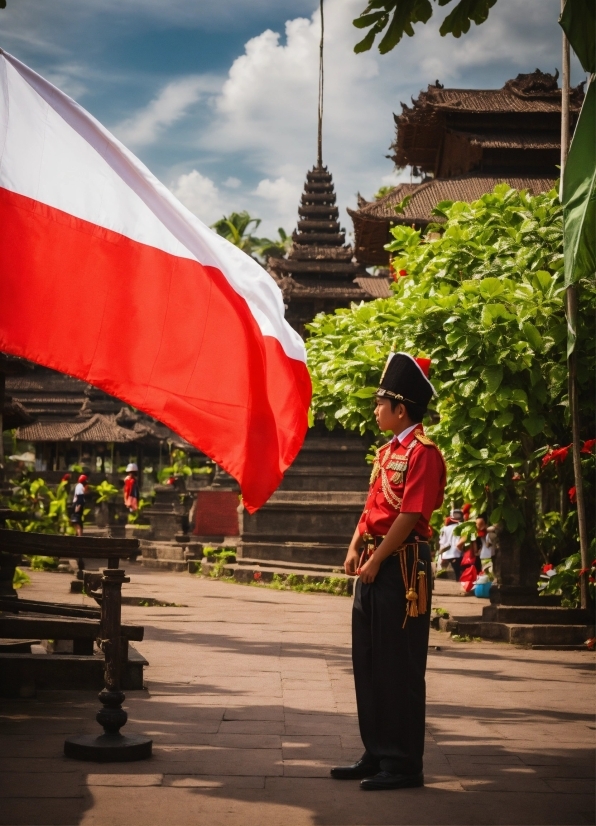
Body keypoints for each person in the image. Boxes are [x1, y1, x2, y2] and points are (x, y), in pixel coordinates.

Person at [331, 352, 446, 791]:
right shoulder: (386, 452)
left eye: (381, 403)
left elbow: (409, 513)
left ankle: (402, 764)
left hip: (402, 566)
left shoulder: (423, 454)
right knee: (370, 661)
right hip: (375, 563)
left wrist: (377, 559)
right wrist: (356, 545)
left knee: (399, 664)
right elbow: (373, 508)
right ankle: (376, 751)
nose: (375, 409)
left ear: (401, 409)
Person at [438, 509, 464, 581]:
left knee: (456, 569)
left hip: (447, 552)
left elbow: (442, 541)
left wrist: (441, 554)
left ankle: (458, 579)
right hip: (457, 551)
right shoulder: (462, 526)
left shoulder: (444, 528)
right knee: (458, 569)